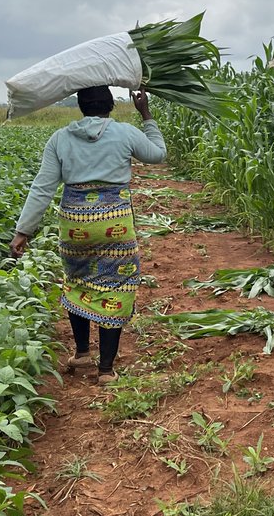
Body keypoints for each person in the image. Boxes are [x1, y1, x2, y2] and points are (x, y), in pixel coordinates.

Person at [9, 86, 167, 383]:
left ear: (80, 107)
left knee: (77, 282)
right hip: (114, 224)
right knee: (116, 285)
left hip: (75, 225)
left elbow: (42, 188)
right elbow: (158, 155)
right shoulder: (125, 133)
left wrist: (23, 231)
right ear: (111, 105)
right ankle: (106, 370)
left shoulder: (60, 138)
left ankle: (82, 354)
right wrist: (145, 114)